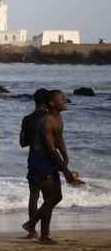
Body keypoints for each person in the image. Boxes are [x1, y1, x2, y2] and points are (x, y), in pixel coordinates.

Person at [22, 90, 82, 243]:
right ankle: (37, 230)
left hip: (50, 159)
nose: (65, 101)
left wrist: (66, 156)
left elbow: (59, 138)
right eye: (61, 99)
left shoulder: (58, 118)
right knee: (51, 197)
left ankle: (35, 227)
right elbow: (49, 149)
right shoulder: (46, 121)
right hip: (41, 160)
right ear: (52, 103)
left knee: (56, 196)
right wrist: (66, 171)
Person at [19, 89, 50, 239]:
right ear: (48, 101)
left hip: (32, 158)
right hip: (47, 159)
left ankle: (32, 232)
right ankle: (45, 232)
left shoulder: (27, 118)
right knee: (49, 197)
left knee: (34, 195)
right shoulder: (50, 118)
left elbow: (22, 143)